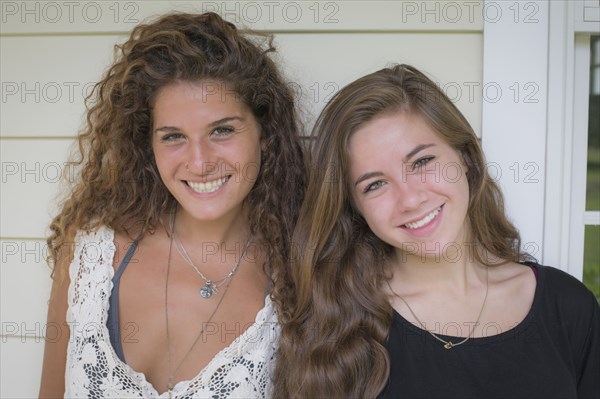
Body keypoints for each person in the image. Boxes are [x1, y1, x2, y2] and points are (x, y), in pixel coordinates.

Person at [274, 64, 600, 398]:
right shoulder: (335, 332)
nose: (410, 199)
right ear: (355, 207)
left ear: (466, 158)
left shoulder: (568, 309)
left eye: (421, 162)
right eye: (375, 184)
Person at [38, 12, 306, 398]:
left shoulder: (301, 274)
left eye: (222, 130)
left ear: (265, 133)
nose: (199, 163)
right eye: (173, 136)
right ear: (147, 145)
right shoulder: (87, 258)